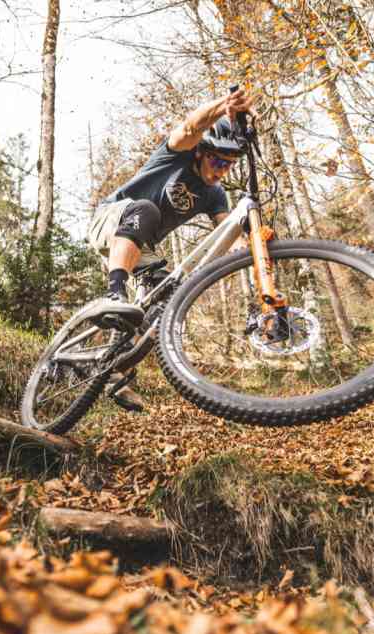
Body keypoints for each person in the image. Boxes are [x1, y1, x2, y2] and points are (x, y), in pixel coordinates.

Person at [86, 87, 254, 411]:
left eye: (228, 165)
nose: (220, 169)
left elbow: (228, 231)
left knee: (167, 298)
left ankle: (114, 371)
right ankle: (114, 291)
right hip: (111, 219)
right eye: (217, 159)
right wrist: (223, 106)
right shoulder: (175, 155)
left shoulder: (215, 194)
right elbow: (191, 126)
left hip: (140, 247)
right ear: (201, 152)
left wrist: (256, 247)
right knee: (147, 210)